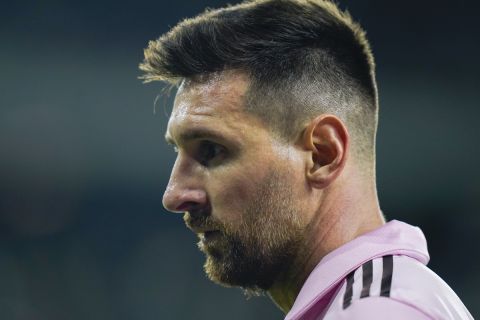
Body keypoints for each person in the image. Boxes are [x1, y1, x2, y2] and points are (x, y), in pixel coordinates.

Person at [139, 0, 473, 319]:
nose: (175, 195)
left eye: (211, 150)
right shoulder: (375, 300)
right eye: (177, 151)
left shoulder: (377, 310)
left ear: (323, 154)